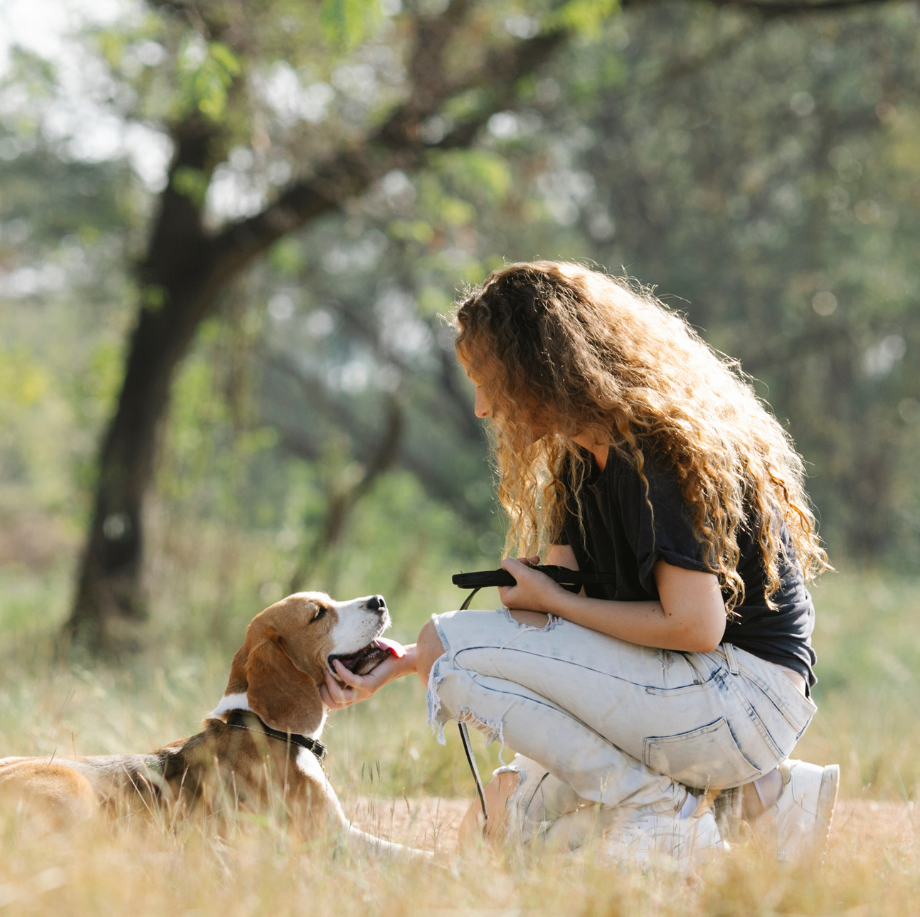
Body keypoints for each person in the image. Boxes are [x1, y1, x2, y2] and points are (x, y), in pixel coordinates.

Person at [321, 261, 839, 865]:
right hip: (687, 688)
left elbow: (697, 626)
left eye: (490, 381)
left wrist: (546, 603)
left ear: (542, 367)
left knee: (447, 644)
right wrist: (411, 660)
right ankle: (765, 802)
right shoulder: (578, 461)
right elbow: (560, 629)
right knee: (500, 823)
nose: (482, 408)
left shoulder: (658, 452)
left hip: (744, 697)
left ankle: (664, 812)